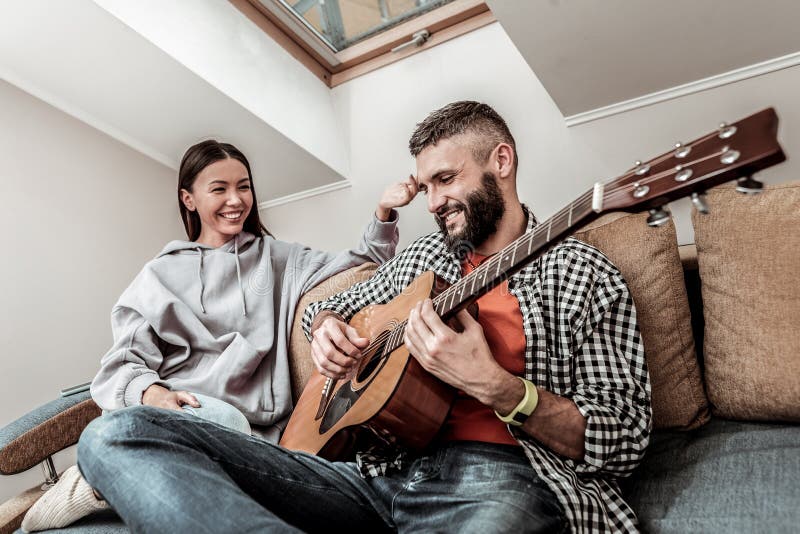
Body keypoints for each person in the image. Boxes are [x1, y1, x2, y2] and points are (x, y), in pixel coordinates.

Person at [76, 102, 651, 533]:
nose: (431, 203)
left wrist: (497, 387)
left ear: (501, 161)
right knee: (112, 434)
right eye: (425, 187)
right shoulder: (426, 257)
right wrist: (324, 330)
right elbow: (333, 307)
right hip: (375, 474)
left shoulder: (581, 271)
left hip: (499, 481)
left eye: (446, 180)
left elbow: (625, 438)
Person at [21, 139, 416, 532]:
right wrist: (155, 396)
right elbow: (122, 363)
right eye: (219, 189)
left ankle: (101, 477)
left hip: (251, 437)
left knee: (225, 424)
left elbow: (358, 268)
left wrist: (384, 213)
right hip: (182, 411)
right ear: (188, 199)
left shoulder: (278, 259)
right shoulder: (158, 276)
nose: (236, 199)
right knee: (157, 426)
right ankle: (102, 471)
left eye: (243, 186)